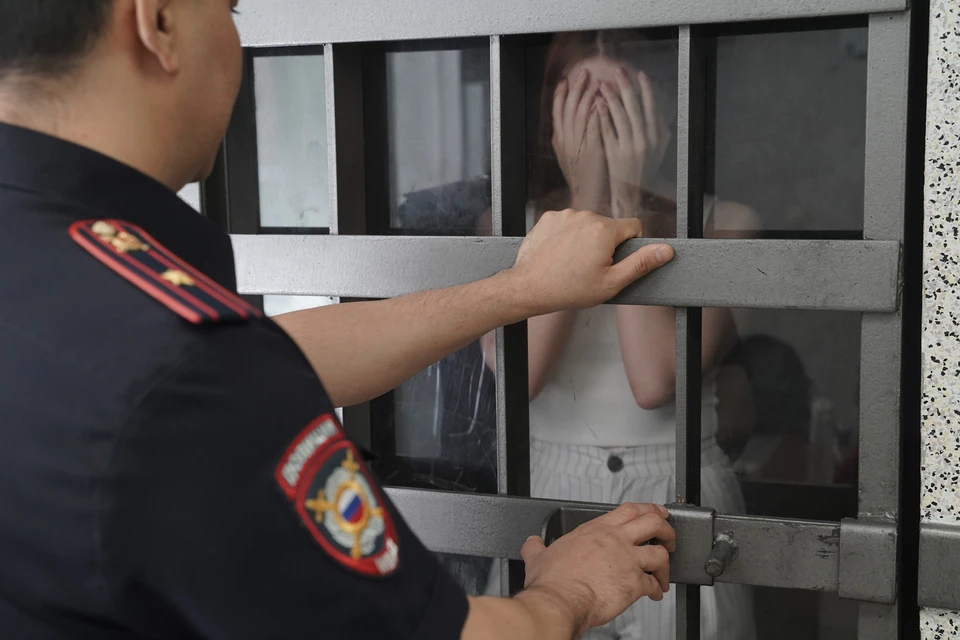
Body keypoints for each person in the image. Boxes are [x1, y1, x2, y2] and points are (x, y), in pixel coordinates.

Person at [0, 2, 682, 639]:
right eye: (228, 9)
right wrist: (567, 591)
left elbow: (272, 357)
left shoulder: (72, 282)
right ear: (158, 22)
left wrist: (518, 290)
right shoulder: (186, 368)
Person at [483, 31, 758, 639]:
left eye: (621, 100)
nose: (602, 121)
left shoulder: (724, 222)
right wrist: (586, 199)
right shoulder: (507, 224)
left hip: (676, 484)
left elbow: (654, 380)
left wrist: (625, 201)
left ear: (658, 110)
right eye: (583, 100)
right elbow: (519, 377)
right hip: (547, 485)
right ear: (552, 118)